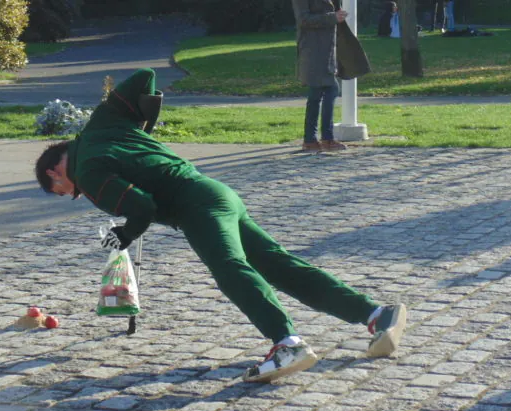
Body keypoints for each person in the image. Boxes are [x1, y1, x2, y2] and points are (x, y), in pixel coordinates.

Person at [34, 68, 408, 384]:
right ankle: (375, 315)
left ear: (55, 170)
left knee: (230, 268)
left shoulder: (88, 170)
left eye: (62, 190)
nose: (74, 194)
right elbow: (145, 77)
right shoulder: (102, 124)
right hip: (219, 193)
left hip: (195, 207)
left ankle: (287, 344)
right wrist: (143, 124)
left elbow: (142, 207)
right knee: (278, 265)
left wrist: (125, 235)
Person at [292, 0, 349, 153]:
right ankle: (318, 139)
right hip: (312, 49)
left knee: (320, 93)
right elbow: (303, 19)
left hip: (326, 49)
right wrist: (332, 17)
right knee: (325, 91)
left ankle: (316, 139)